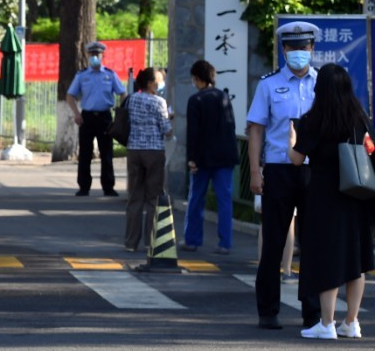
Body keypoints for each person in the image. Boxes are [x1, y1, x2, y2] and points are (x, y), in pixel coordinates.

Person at [288, 63, 375, 339]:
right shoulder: (360, 117)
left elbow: (297, 159)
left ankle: (327, 324)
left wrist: (291, 141)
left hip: (325, 196)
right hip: (357, 194)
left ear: (320, 89)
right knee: (355, 260)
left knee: (328, 258)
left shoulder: (315, 119)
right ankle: (352, 322)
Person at [247, 20, 322, 331]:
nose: (298, 52)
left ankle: (314, 313)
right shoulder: (268, 84)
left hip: (314, 171)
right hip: (278, 170)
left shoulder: (323, 83)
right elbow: (256, 129)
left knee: (314, 243)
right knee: (274, 243)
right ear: (284, 49)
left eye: (304, 47)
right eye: (292, 47)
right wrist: (255, 171)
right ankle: (267, 310)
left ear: (312, 48)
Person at [182, 59, 239, 254]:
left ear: (197, 78)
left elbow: (193, 132)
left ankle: (192, 240)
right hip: (225, 156)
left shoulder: (195, 100)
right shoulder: (223, 96)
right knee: (225, 199)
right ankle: (225, 243)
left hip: (202, 157)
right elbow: (231, 126)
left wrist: (191, 158)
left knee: (197, 197)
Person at [66, 41, 127, 197]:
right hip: (87, 117)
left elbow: (122, 93)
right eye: (92, 54)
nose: (94, 57)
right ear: (88, 56)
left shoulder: (110, 75)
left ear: (102, 56)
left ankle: (108, 186)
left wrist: (119, 113)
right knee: (85, 153)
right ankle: (84, 186)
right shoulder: (82, 75)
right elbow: (70, 95)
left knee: (106, 153)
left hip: (105, 117)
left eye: (97, 54)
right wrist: (76, 113)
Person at [123, 68, 172, 251]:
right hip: (153, 151)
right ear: (150, 83)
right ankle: (151, 242)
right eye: (158, 80)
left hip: (134, 150)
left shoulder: (131, 99)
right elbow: (166, 130)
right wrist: (170, 118)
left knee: (134, 197)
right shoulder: (159, 102)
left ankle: (130, 242)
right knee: (153, 197)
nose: (160, 83)